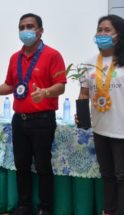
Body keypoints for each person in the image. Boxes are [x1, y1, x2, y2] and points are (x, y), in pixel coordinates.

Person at [0, 13, 66, 215]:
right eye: (22, 27)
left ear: (40, 31)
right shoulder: (15, 58)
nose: (25, 31)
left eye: (30, 26)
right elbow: (10, 85)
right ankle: (24, 206)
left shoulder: (52, 55)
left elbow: (60, 86)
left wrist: (45, 92)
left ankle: (45, 208)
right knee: (22, 166)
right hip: (19, 120)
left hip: (43, 120)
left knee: (44, 166)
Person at [77, 14, 124, 215]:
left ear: (119, 35)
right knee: (106, 175)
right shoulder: (87, 64)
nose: (102, 34)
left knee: (122, 177)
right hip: (100, 128)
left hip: (121, 131)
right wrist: (81, 113)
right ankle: (109, 211)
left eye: (107, 30)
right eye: (99, 30)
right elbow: (84, 92)